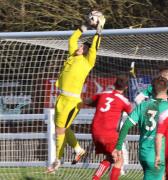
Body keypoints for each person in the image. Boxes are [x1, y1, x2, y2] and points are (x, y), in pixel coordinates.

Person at [47, 12, 106, 173]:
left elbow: (94, 47)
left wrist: (99, 28)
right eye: (81, 46)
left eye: (83, 47)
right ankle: (78, 150)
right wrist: (85, 26)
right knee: (61, 128)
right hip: (61, 98)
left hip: (73, 101)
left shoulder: (88, 61)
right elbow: (72, 39)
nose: (80, 47)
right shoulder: (73, 55)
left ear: (87, 51)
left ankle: (57, 160)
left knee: (60, 130)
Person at [112, 76, 168, 180]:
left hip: (144, 153)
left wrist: (118, 146)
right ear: (167, 89)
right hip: (157, 154)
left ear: (152, 89)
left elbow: (126, 125)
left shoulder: (143, 105)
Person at [84, 76, 132, 180]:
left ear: (114, 84)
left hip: (95, 132)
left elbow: (87, 101)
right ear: (126, 87)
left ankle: (95, 178)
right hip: (108, 133)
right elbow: (132, 115)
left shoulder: (103, 94)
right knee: (119, 159)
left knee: (110, 157)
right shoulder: (124, 101)